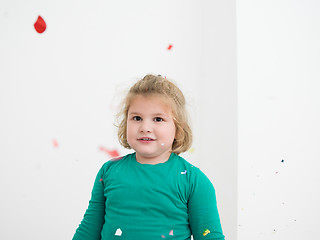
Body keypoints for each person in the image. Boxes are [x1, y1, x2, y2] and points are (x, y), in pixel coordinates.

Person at [72, 74, 225, 240]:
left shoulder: (194, 181)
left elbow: (210, 236)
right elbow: (88, 230)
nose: (145, 127)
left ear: (178, 128)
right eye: (137, 118)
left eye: (158, 119)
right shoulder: (108, 172)